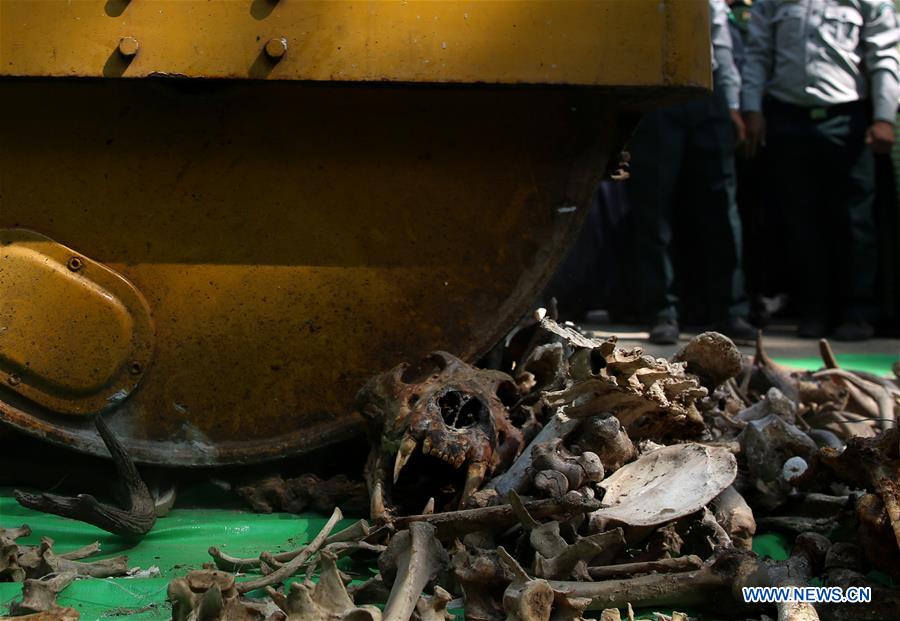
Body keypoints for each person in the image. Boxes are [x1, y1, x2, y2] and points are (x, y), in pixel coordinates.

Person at [741, 0, 900, 340]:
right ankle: (814, 310)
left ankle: (858, 311)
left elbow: (884, 54)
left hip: (848, 118)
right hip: (787, 117)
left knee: (855, 219)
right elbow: (757, 53)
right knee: (800, 219)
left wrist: (884, 116)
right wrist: (752, 108)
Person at [628, 0, 754, 344]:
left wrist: (731, 104)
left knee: (720, 207)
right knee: (653, 208)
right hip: (655, 92)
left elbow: (720, 43)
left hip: (705, 93)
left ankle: (730, 310)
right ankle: (662, 312)